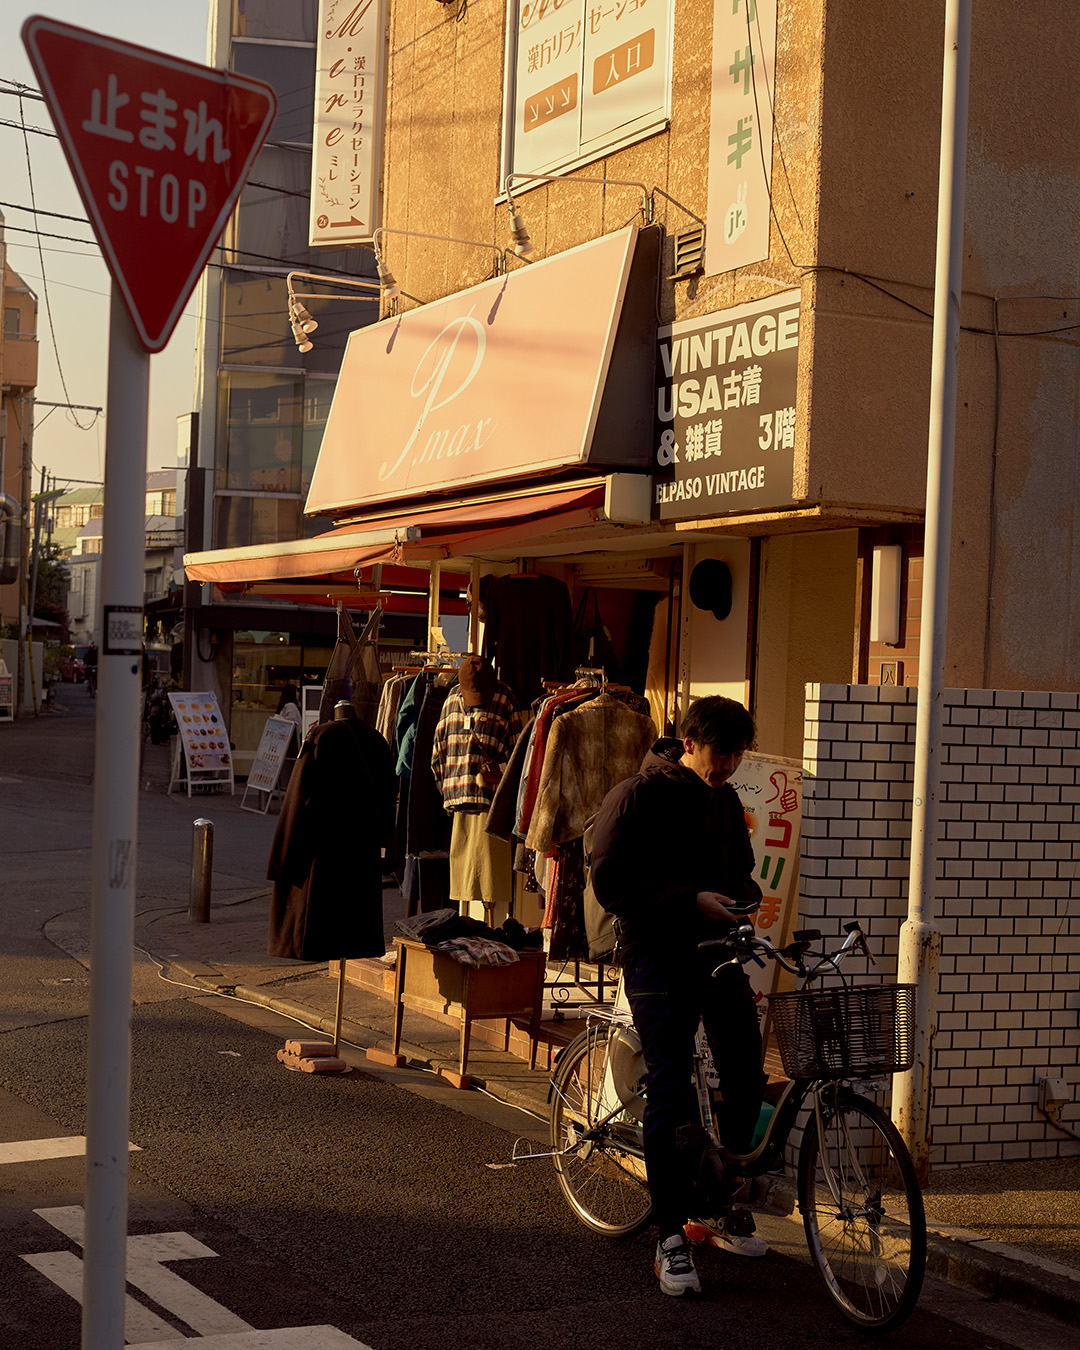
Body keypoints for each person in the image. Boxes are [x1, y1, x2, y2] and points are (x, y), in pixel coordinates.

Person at [590, 694, 768, 1298]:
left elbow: (742, 870)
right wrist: (688, 899)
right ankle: (669, 1235)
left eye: (739, 754)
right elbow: (610, 881)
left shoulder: (724, 800)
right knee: (670, 1086)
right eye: (722, 752)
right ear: (689, 742)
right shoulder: (636, 795)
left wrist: (742, 902)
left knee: (745, 1069)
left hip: (716, 951)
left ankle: (714, 1198)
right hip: (657, 956)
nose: (730, 764)